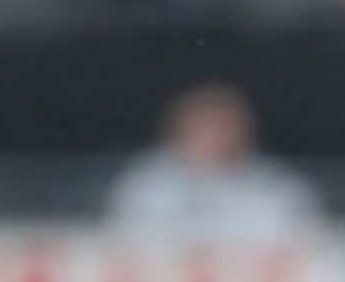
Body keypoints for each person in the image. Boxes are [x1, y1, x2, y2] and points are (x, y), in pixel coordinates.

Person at [105, 84, 323, 241]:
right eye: (203, 126)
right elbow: (128, 240)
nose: (215, 136)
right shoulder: (147, 182)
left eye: (224, 126)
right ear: (177, 130)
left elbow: (303, 241)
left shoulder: (277, 186)